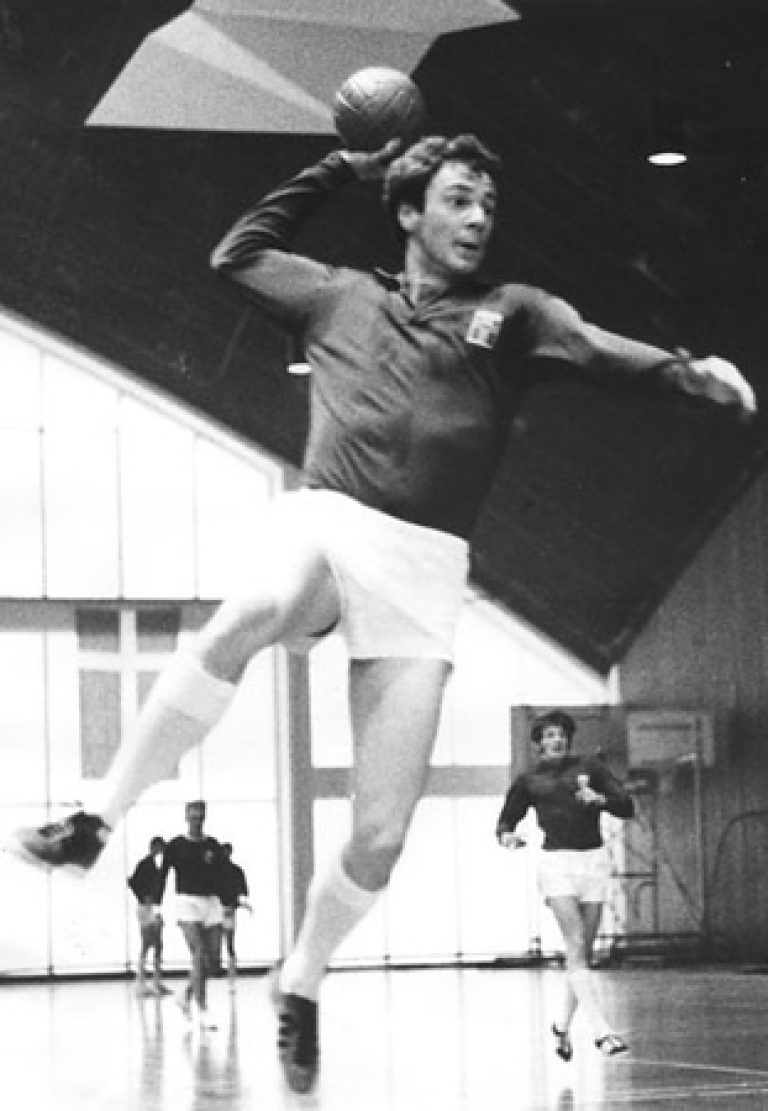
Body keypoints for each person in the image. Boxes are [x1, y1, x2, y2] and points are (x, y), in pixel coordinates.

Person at [7, 132, 756, 1092]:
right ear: (408, 212)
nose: (478, 217)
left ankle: (301, 977)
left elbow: (599, 349)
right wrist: (336, 169)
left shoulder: (514, 312)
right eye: (458, 199)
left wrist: (690, 373)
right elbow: (235, 254)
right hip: (330, 519)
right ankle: (94, 820)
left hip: (425, 569)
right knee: (259, 605)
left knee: (382, 835)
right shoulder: (339, 295)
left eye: (488, 203)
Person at [496, 710, 635, 1059]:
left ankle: (561, 1026)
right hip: (557, 864)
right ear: (539, 743)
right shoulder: (529, 780)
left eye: (560, 734)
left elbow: (626, 806)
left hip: (593, 862)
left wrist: (601, 800)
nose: (555, 740)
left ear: (568, 739)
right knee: (574, 943)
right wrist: (508, 837)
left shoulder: (592, 769)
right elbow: (506, 822)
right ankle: (602, 1033)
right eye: (548, 735)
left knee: (581, 955)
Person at [158, 800, 226, 1030]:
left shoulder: (213, 845)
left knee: (213, 962)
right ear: (186, 817)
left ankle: (185, 994)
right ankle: (203, 1010)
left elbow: (223, 874)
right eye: (193, 817)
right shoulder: (175, 846)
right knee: (199, 953)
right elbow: (162, 875)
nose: (197, 821)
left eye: (200, 817)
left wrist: (231, 900)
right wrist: (156, 907)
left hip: (211, 902)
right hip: (187, 902)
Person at [127, 835, 170, 997]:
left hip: (153, 907)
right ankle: (141, 982)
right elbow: (132, 882)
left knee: (158, 944)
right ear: (154, 847)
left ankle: (156, 982)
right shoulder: (145, 864)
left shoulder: (156, 866)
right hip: (145, 908)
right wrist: (143, 896)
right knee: (147, 943)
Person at [215, 842, 252, 986]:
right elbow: (242, 893)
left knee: (226, 943)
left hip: (223, 909)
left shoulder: (223, 871)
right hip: (226, 908)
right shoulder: (235, 871)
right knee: (227, 943)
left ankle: (228, 973)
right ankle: (229, 974)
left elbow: (241, 892)